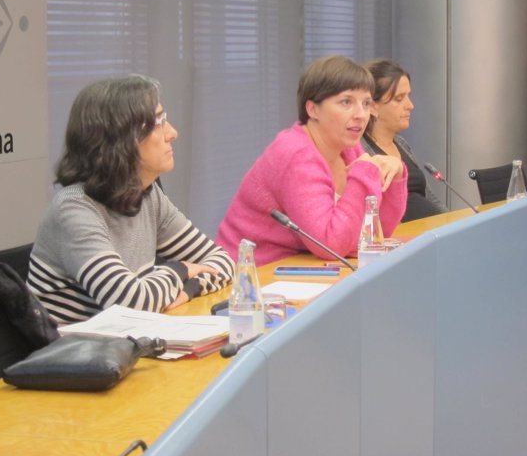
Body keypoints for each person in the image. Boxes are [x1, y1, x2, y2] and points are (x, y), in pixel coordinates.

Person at [27, 75, 235, 325]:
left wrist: (188, 289)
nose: (172, 133)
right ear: (119, 139)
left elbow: (222, 262)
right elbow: (130, 303)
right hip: (78, 358)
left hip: (128, 342)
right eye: (159, 123)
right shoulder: (74, 209)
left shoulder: (146, 194)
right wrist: (181, 270)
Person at [215, 56, 408, 265]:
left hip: (304, 267)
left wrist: (396, 175)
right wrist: (365, 172)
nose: (361, 115)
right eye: (346, 102)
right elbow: (332, 244)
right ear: (312, 109)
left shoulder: (348, 149)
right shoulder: (295, 154)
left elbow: (374, 235)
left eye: (366, 103)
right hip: (253, 277)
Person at [361, 58, 447, 221]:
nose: (410, 105)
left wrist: (453, 222)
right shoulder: (359, 149)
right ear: (373, 106)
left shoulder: (401, 143)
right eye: (399, 99)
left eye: (408, 96)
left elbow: (429, 197)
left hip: (431, 235)